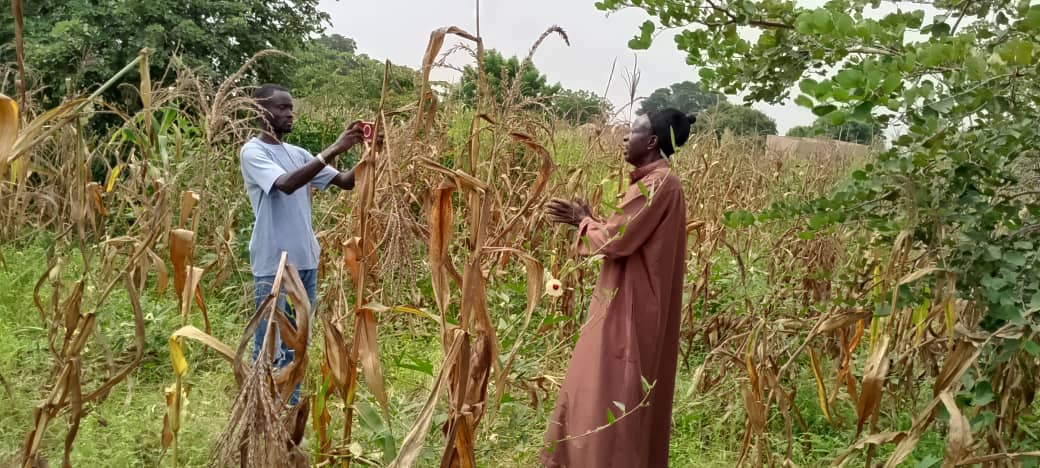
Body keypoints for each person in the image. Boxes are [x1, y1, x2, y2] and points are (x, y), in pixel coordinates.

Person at [542, 108, 695, 467]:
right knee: (601, 386)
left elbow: (616, 240)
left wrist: (582, 222)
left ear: (653, 141)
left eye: (633, 132)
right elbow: (626, 235)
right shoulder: (658, 182)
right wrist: (591, 221)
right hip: (629, 299)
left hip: (630, 306)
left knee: (608, 390)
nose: (625, 138)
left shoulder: (657, 183)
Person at [240, 83, 366, 405]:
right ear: (260, 112)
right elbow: (285, 184)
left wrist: (371, 153)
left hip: (306, 263)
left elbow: (345, 182)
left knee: (297, 346)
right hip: (275, 267)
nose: (289, 113)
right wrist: (333, 149)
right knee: (269, 345)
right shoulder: (253, 152)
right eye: (281, 108)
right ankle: (261, 411)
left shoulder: (297, 154)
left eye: (291, 108)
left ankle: (288, 410)